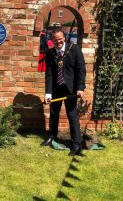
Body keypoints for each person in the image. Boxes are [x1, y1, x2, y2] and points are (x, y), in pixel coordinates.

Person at [41, 28, 86, 156]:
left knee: (72, 116)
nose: (58, 41)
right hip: (56, 89)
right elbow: (49, 74)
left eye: (60, 39)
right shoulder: (50, 53)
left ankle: (76, 144)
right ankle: (52, 136)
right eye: (55, 40)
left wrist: (80, 87)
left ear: (64, 38)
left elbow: (81, 69)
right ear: (51, 41)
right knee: (53, 113)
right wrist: (48, 93)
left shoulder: (74, 49)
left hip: (71, 90)